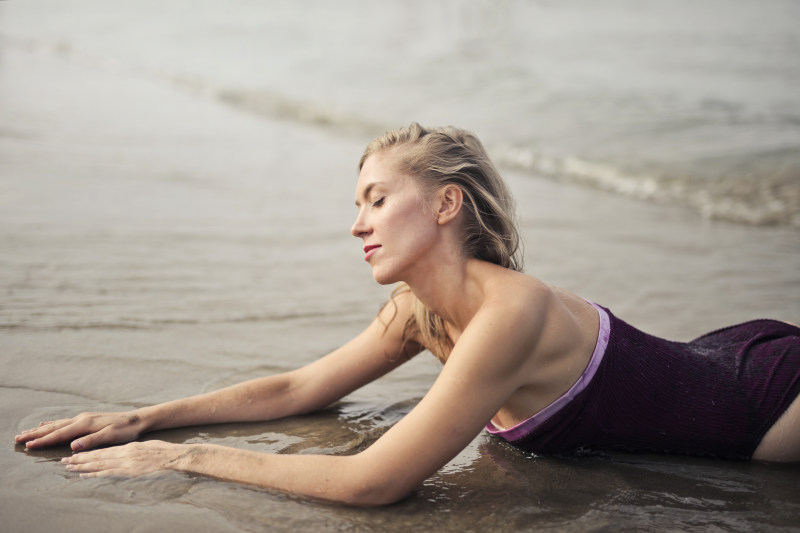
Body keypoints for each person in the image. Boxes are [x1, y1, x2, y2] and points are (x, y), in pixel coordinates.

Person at [15, 123, 800, 506]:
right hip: (713, 357)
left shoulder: (512, 312)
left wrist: (185, 459)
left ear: (447, 204)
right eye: (357, 203)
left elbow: (373, 481)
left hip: (770, 402)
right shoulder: (418, 311)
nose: (358, 222)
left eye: (377, 199)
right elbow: (299, 389)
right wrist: (146, 418)